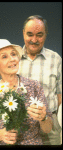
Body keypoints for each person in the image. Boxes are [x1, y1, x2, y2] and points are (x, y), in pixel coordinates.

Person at [0, 39, 52, 145]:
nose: (12, 59)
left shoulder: (35, 86)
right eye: (4, 56)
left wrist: (43, 118)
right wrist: (1, 134)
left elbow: (48, 129)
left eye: (13, 54)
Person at [18, 15, 62, 145]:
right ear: (23, 33)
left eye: (39, 35)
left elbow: (60, 95)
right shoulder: (13, 58)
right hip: (20, 124)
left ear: (46, 34)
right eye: (30, 34)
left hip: (49, 124)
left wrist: (57, 121)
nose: (34, 39)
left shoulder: (56, 59)